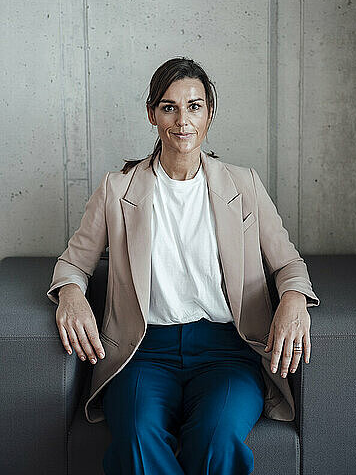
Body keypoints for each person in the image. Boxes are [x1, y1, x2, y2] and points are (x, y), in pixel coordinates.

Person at [47, 57, 320, 475]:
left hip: (227, 350)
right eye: (169, 107)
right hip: (143, 351)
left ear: (209, 112)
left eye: (194, 106)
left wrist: (295, 299)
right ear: (152, 115)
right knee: (137, 438)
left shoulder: (243, 185)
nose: (182, 120)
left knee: (217, 437)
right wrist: (70, 294)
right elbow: (74, 263)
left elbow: (288, 263)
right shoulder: (116, 190)